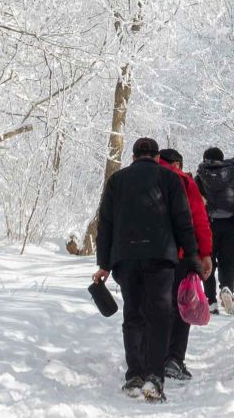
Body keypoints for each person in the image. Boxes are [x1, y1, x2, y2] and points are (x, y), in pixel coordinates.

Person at [93, 136, 199, 401]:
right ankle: (154, 376)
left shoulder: (117, 181)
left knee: (133, 315)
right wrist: (193, 257)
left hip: (125, 258)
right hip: (161, 257)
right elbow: (183, 221)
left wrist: (103, 264)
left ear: (133, 157)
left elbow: (105, 224)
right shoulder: (170, 179)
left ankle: (134, 376)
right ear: (155, 156)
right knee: (160, 315)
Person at [155, 149, 213, 382]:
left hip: (147, 254)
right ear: (177, 163)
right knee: (181, 307)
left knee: (154, 307)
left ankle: (152, 357)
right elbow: (199, 219)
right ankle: (174, 359)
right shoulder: (184, 181)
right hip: (179, 254)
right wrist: (205, 253)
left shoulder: (144, 178)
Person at [195, 147, 234, 307]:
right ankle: (227, 288)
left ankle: (210, 300)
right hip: (231, 223)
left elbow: (196, 202)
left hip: (209, 224)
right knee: (230, 261)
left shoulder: (200, 174)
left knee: (208, 261)